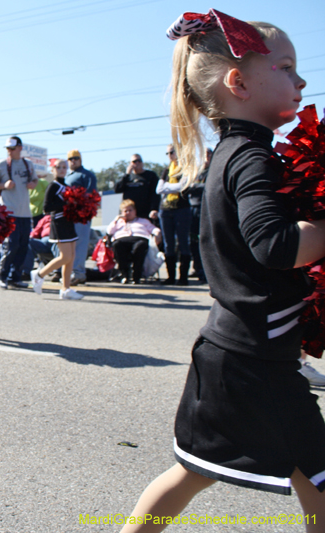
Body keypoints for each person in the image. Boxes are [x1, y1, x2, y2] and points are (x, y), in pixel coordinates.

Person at [121, 12, 325, 530]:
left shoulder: (231, 154)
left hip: (237, 352)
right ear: (238, 82)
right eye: (285, 67)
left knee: (193, 472)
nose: (300, 80)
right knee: (316, 478)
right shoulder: (252, 159)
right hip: (253, 360)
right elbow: (276, 245)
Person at [30, 158, 83, 300]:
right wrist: (65, 204)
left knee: (71, 257)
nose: (62, 169)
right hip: (58, 223)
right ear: (53, 170)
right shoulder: (52, 186)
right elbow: (46, 208)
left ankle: (66, 289)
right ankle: (40, 274)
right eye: (58, 167)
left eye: (64, 167)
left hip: (68, 223)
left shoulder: (66, 185)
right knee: (64, 256)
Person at [0, 136, 38, 289]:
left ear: (20, 148)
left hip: (24, 212)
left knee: (23, 246)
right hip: (9, 212)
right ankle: (2, 275)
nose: (9, 151)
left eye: (12, 148)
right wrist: (4, 184)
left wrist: (32, 184)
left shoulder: (28, 164)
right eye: (8, 149)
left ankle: (15, 277)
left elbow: (35, 181)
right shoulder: (1, 164)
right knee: (11, 245)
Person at [157, 143, 192, 285]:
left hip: (182, 209)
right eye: (168, 153)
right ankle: (171, 277)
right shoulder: (166, 170)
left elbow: (182, 186)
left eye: (172, 152)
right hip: (165, 210)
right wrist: (170, 188)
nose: (170, 155)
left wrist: (168, 187)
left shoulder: (187, 169)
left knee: (183, 243)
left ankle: (183, 277)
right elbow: (159, 189)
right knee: (168, 244)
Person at [105, 199, 162, 285]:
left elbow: (154, 229)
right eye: (125, 211)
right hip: (122, 240)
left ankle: (136, 275)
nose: (128, 213)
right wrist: (116, 220)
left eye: (130, 210)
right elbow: (109, 232)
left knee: (140, 247)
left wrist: (157, 233)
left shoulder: (143, 221)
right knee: (117, 245)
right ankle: (125, 274)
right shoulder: (118, 222)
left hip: (139, 239)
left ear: (135, 211)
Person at [64, 149, 97, 286]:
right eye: (71, 159)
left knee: (80, 244)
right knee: (68, 245)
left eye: (76, 158)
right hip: (68, 214)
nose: (73, 161)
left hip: (81, 214)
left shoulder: (87, 175)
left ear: (80, 159)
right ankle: (67, 272)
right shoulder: (67, 176)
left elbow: (90, 194)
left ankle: (78, 273)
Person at [188, 148, 211, 282]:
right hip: (192, 209)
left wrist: (194, 186)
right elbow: (186, 186)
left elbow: (209, 187)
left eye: (209, 154)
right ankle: (197, 268)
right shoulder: (195, 172)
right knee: (193, 241)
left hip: (206, 208)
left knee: (206, 239)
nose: (206, 157)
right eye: (204, 154)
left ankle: (206, 271)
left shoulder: (213, 169)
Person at [114, 154, 160, 221]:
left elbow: (155, 194)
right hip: (129, 214)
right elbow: (117, 189)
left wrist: (154, 209)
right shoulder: (127, 177)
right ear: (130, 164)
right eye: (134, 161)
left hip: (146, 213)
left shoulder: (151, 175)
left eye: (139, 161)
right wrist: (127, 174)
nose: (137, 163)